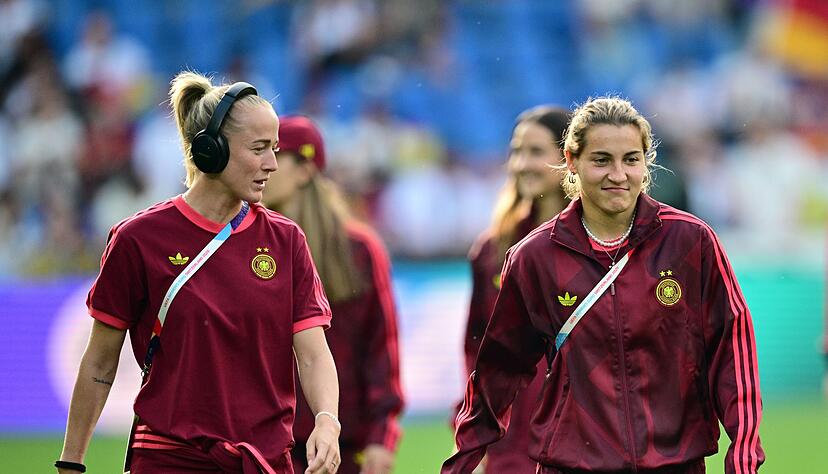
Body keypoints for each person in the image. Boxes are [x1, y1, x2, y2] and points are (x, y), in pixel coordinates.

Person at [444, 97, 765, 473]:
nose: (618, 174)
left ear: (646, 162)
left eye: (631, 159)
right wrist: (462, 463)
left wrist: (743, 458)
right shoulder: (534, 257)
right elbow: (496, 370)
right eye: (601, 160)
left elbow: (733, 354)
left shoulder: (690, 242)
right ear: (571, 161)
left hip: (675, 464)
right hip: (573, 465)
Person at [56, 72, 342, 474]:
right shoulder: (137, 239)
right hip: (167, 459)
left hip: (264, 461)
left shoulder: (287, 239)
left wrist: (327, 420)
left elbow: (313, 354)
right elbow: (100, 363)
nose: (272, 164)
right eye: (259, 148)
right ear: (211, 150)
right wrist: (71, 461)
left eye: (275, 149)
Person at [262, 116, 404, 474]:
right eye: (258, 150)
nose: (263, 163)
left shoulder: (359, 250)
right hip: (261, 446)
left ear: (305, 169)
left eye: (274, 152)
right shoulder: (243, 247)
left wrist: (381, 437)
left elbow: (380, 351)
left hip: (342, 447)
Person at [460, 105, 570, 473]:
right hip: (509, 444)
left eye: (536, 152)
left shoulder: (602, 247)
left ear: (568, 158)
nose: (521, 163)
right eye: (516, 151)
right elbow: (476, 350)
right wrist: (475, 429)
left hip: (584, 440)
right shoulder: (492, 251)